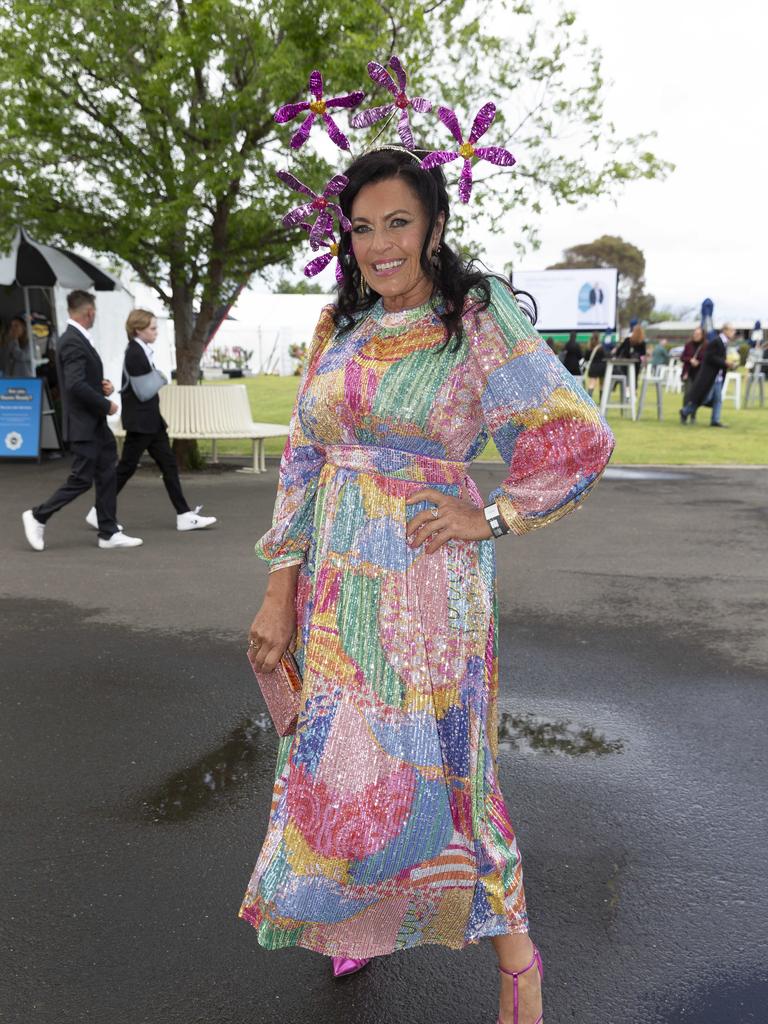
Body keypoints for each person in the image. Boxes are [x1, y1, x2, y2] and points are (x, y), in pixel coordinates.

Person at [239, 146, 614, 1024]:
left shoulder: (474, 319)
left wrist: (494, 517)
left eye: (397, 222)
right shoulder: (341, 329)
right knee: (341, 763)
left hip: (425, 589)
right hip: (336, 585)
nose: (380, 245)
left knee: (443, 774)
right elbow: (303, 460)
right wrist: (278, 590)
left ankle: (517, 957)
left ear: (435, 226)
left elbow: (574, 432)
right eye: (363, 228)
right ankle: (355, 921)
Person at [21, 290, 143, 551]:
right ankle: (37, 515)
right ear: (90, 312)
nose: (95, 315)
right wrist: (105, 404)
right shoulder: (73, 341)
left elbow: (80, 380)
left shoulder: (75, 339)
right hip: (84, 423)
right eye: (95, 311)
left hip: (94, 424)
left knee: (107, 473)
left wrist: (103, 387)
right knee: (82, 479)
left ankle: (108, 532)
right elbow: (75, 385)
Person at [84, 309, 216, 533]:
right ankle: (98, 511)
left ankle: (184, 515)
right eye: (152, 328)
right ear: (138, 330)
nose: (156, 332)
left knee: (167, 465)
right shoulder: (135, 353)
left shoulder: (140, 351)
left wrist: (157, 377)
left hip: (149, 422)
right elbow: (144, 391)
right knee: (127, 468)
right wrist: (161, 377)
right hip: (142, 422)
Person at [680, 323, 735, 427]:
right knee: (706, 398)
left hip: (718, 376)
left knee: (718, 399)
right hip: (710, 375)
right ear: (725, 331)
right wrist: (725, 363)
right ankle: (685, 411)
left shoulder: (723, 342)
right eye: (732, 330)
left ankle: (715, 420)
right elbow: (710, 357)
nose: (733, 333)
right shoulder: (716, 341)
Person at [583, 331, 607, 397]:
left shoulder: (589, 348)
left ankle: (589, 401)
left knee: (591, 384)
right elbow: (605, 356)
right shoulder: (601, 347)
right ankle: (602, 401)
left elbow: (586, 358)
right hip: (602, 367)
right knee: (602, 385)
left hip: (593, 367)